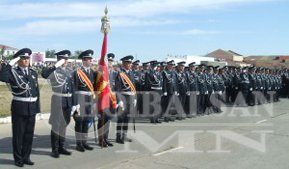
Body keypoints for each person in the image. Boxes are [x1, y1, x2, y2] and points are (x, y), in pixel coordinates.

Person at [0, 48, 40, 167]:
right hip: (19, 107)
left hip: (31, 107)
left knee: (29, 134)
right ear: (18, 60)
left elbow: (36, 92)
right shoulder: (12, 72)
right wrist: (10, 63)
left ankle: (26, 157)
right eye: (23, 58)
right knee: (18, 135)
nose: (26, 60)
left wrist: (37, 109)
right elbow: (2, 77)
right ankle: (18, 159)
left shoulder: (33, 73)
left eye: (28, 58)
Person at [41, 50, 76, 158]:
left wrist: (74, 103)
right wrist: (56, 65)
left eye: (66, 59)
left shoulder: (70, 71)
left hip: (68, 101)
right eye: (63, 59)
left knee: (64, 125)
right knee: (56, 126)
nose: (65, 61)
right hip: (58, 100)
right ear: (58, 60)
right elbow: (44, 75)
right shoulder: (53, 71)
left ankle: (61, 147)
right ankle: (54, 149)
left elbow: (73, 88)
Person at [72, 49, 96, 151]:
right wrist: (75, 103)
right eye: (89, 59)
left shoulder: (92, 72)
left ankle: (84, 142)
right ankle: (79, 144)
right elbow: (74, 88)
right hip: (80, 99)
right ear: (84, 60)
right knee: (80, 121)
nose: (91, 61)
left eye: (91, 59)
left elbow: (94, 88)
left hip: (90, 99)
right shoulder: (77, 73)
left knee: (86, 121)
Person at [115, 55, 137, 144]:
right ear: (124, 64)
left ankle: (124, 135)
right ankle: (118, 136)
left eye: (130, 63)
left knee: (127, 118)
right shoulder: (120, 74)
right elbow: (118, 88)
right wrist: (119, 100)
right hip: (123, 98)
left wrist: (135, 98)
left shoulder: (131, 73)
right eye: (128, 63)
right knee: (121, 118)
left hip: (131, 98)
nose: (130, 64)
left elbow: (133, 87)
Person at [97, 53, 116, 147]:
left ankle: (106, 138)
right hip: (102, 99)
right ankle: (101, 139)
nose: (110, 63)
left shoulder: (114, 72)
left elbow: (116, 87)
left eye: (111, 61)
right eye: (108, 61)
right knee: (101, 120)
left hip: (111, 99)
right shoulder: (101, 72)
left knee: (108, 120)